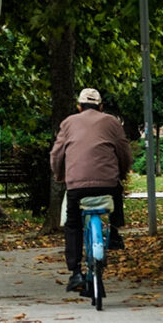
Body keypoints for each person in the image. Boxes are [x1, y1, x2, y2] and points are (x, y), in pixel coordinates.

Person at [50, 88, 132, 292]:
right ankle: (114, 233)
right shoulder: (112, 122)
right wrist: (122, 173)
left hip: (77, 184)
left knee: (73, 224)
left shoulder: (68, 123)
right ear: (101, 107)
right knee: (116, 192)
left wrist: (59, 174)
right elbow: (124, 152)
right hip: (107, 182)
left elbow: (57, 154)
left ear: (79, 107)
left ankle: (75, 271)